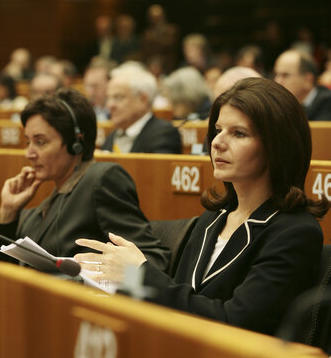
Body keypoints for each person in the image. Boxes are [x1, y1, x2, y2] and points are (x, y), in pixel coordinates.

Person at [75, 77, 329, 337]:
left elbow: (236, 322)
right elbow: (177, 297)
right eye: (218, 130)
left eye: (238, 133)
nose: (217, 142)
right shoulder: (212, 219)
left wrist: (139, 273)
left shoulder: (294, 231)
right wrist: (111, 277)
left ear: (277, 147)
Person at [0, 88, 170, 276]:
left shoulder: (102, 180)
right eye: (28, 142)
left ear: (76, 143)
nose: (30, 153)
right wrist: (8, 213)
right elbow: (9, 272)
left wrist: (91, 275)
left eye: (40, 142)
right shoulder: (48, 202)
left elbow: (152, 260)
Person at [101, 63, 182, 154]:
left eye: (118, 97)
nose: (110, 105)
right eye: (108, 98)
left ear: (143, 100)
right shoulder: (111, 137)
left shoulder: (163, 134)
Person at [274, 49, 331, 120]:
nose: (278, 81)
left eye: (285, 75)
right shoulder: (278, 105)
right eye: (276, 75)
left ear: (308, 80)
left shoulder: (328, 103)